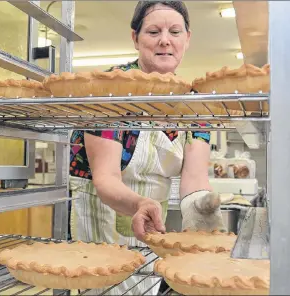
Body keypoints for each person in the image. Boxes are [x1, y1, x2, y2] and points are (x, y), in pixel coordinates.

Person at [69, 1, 225, 294]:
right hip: (102, 223)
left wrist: (201, 207)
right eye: (154, 31)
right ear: (135, 38)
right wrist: (140, 204)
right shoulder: (111, 91)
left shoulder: (195, 105)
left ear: (187, 39)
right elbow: (105, 178)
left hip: (152, 230)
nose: (165, 40)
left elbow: (194, 180)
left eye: (175, 32)